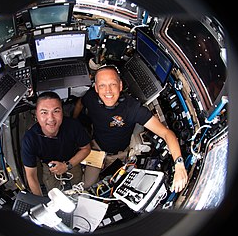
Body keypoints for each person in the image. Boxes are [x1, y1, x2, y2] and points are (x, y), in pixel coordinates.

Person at [72, 65, 188, 193]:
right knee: (88, 187)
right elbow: (80, 103)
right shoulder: (91, 98)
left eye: (113, 84)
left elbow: (166, 133)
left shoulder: (132, 108)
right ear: (96, 89)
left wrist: (179, 165)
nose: (108, 91)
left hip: (120, 154)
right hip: (97, 149)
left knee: (116, 189)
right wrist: (74, 121)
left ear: (120, 86)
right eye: (102, 86)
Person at [21, 91, 91, 196]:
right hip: (49, 169)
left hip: (72, 163)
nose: (51, 118)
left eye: (56, 111)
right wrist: (41, 202)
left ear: (62, 112)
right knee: (53, 194)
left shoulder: (73, 126)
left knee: (77, 193)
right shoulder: (29, 139)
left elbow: (86, 148)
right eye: (44, 112)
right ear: (36, 115)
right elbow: (31, 175)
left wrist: (66, 166)